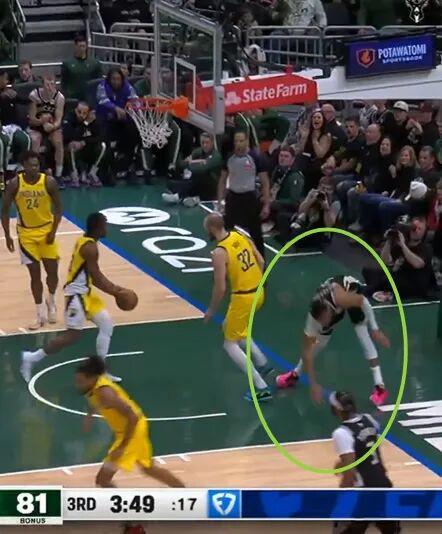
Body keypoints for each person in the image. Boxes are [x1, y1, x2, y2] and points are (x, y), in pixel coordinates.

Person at [20, 212, 128, 383]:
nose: (107, 228)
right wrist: (116, 291)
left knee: (106, 325)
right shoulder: (90, 248)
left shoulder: (86, 240)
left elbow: (93, 277)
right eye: (105, 225)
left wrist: (116, 290)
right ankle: (31, 358)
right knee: (71, 337)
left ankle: (101, 371)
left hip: (86, 293)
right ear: (98, 227)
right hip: (76, 296)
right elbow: (97, 277)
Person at [276, 275, 390, 406]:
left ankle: (380, 387)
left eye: (324, 318)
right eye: (320, 320)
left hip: (352, 293)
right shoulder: (314, 317)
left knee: (363, 337)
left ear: (329, 309)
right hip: (331, 305)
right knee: (317, 345)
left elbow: (363, 301)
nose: (323, 322)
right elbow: (307, 353)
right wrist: (313, 384)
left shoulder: (341, 298)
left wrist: (375, 329)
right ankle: (295, 375)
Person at [75, 355, 185, 488]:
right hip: (132, 428)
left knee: (102, 480)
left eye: (80, 381)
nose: (77, 384)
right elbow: (97, 401)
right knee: (148, 468)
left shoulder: (106, 393)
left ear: (92, 378)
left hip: (132, 430)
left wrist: (122, 447)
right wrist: (89, 415)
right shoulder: (94, 387)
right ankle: (183, 491)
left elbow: (132, 416)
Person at [203, 213, 273, 402]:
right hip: (259, 292)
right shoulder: (240, 236)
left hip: (243, 297)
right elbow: (261, 261)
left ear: (211, 229)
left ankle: (261, 387)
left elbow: (220, 288)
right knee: (231, 326)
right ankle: (262, 363)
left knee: (229, 344)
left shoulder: (219, 253)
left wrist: (211, 310)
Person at [1, 150, 61, 329]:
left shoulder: (49, 182)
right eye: (31, 165)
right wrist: (7, 235)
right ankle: (40, 314)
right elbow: (4, 211)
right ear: (23, 166)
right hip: (26, 234)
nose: (34, 168)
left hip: (47, 230)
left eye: (37, 165)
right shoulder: (14, 184)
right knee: (35, 276)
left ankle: (51, 300)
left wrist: (53, 231)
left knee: (52, 274)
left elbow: (59, 208)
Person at [330, 390, 400, 534]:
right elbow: (366, 447)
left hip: (364, 491)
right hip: (383, 483)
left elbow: (350, 473)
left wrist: (341, 500)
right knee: (390, 530)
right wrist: (343, 463)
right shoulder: (369, 419)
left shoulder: (341, 433)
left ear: (337, 410)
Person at [217, 131, 270, 258]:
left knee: (256, 233)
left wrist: (266, 205)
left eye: (241, 141)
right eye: (236, 141)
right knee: (227, 231)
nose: (238, 144)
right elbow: (222, 180)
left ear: (247, 142)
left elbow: (265, 182)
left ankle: (261, 263)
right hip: (232, 197)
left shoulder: (256, 157)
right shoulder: (229, 157)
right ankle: (227, 259)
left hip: (249, 198)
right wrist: (220, 201)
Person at [362, 216, 435, 302]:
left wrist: (403, 245)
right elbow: (385, 260)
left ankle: (368, 290)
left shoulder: (426, 248)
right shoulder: (403, 241)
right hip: (399, 277)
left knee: (388, 280)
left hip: (414, 284)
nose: (416, 231)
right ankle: (384, 291)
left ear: (424, 233)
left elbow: (418, 264)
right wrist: (389, 241)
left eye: (420, 229)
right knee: (368, 271)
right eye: (414, 227)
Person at [28, 73, 65, 186]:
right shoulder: (34, 95)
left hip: (52, 126)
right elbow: (31, 119)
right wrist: (41, 121)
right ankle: (35, 174)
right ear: (42, 85)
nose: (50, 87)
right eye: (47, 84)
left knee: (58, 142)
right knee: (35, 140)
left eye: (52, 84)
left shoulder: (59, 97)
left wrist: (52, 126)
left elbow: (58, 120)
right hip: (37, 125)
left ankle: (58, 175)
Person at [63, 101, 105, 187]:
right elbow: (68, 136)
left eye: (84, 113)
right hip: (72, 148)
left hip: (87, 147)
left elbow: (100, 137)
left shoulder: (94, 120)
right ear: (75, 110)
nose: (81, 115)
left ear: (89, 113)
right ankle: (74, 175)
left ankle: (92, 173)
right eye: (79, 112)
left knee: (103, 146)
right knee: (72, 145)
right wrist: (84, 124)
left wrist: (84, 142)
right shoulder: (70, 117)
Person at [61, 35, 103, 101]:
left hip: (90, 97)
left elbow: (99, 81)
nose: (81, 49)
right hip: (73, 97)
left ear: (86, 47)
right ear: (75, 46)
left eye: (83, 46)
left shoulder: (95, 63)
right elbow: (64, 83)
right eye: (80, 46)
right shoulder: (67, 64)